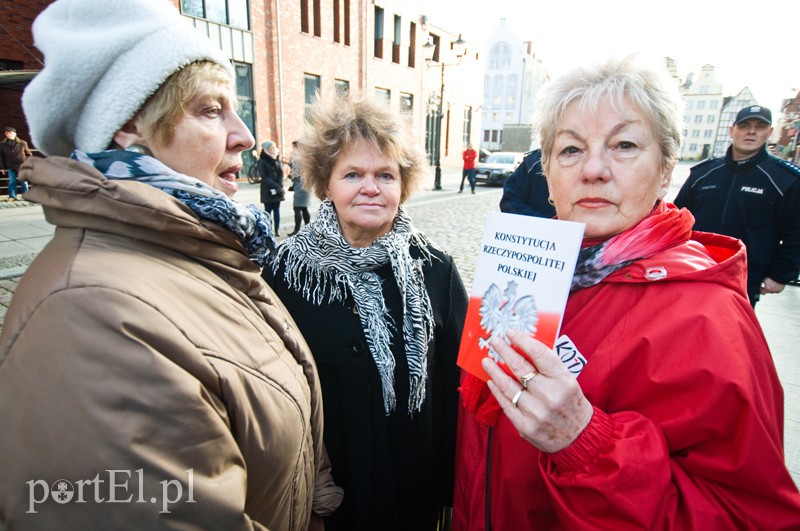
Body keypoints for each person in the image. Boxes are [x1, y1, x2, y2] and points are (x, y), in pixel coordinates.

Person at [0, 0, 341, 528]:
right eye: (210, 110)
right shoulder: (92, 315)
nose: (245, 135)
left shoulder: (207, 248)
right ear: (129, 127)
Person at [452, 56, 800, 529]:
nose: (593, 169)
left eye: (625, 145)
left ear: (666, 169)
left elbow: (748, 518)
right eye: (571, 150)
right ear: (547, 173)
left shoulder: (708, 318)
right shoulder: (525, 268)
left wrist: (584, 441)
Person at [263, 94, 469, 531]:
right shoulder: (284, 272)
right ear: (326, 184)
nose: (370, 187)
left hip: (413, 490)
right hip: (331, 499)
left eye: (385, 175)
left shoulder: (436, 269)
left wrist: (454, 495)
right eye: (352, 174)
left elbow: (459, 385)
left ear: (402, 184)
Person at [674, 105, 800, 307]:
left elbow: (796, 232)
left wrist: (780, 275)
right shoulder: (704, 173)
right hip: (694, 267)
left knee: (727, 334)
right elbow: (677, 218)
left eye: (759, 127)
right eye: (744, 126)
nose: (751, 131)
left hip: (744, 276)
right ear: (732, 131)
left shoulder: (784, 180)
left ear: (769, 132)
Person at [498, 148, 557, 217]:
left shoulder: (533, 162)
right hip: (537, 225)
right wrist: (540, 222)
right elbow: (510, 201)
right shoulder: (533, 163)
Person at [258, 140, 285, 236]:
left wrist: (279, 185)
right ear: (266, 149)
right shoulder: (262, 161)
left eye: (274, 147)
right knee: (268, 211)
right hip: (267, 190)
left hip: (277, 190)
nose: (273, 150)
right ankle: (268, 230)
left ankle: (277, 230)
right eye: (271, 148)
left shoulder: (276, 159)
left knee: (277, 210)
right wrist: (275, 185)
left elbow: (281, 173)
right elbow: (264, 176)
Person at [0, 126, 33, 201]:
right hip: (10, 165)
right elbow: (1, 157)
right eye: (7, 133)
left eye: (10, 133)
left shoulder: (22, 143)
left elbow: (29, 154)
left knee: (24, 181)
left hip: (22, 165)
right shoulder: (2, 144)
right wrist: (2, 168)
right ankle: (12, 196)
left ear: (15, 134)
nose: (8, 134)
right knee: (12, 181)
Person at [287, 140, 311, 236]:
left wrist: (290, 174)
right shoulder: (306, 156)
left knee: (297, 208)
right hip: (305, 185)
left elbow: (295, 173)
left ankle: (297, 230)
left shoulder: (297, 158)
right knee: (304, 208)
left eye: (293, 147)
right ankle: (308, 228)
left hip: (300, 185)